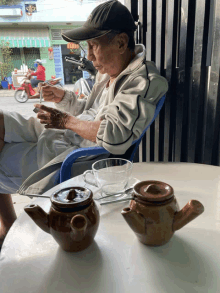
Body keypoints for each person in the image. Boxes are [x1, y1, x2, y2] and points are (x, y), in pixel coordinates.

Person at [0, 0, 168, 247]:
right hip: (58, 133)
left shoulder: (142, 81)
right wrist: (62, 98)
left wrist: (65, 120)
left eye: (93, 46)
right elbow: (87, 109)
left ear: (121, 43)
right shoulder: (108, 72)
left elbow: (115, 136)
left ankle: (8, 228)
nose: (88, 56)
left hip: (75, 156)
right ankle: (8, 226)